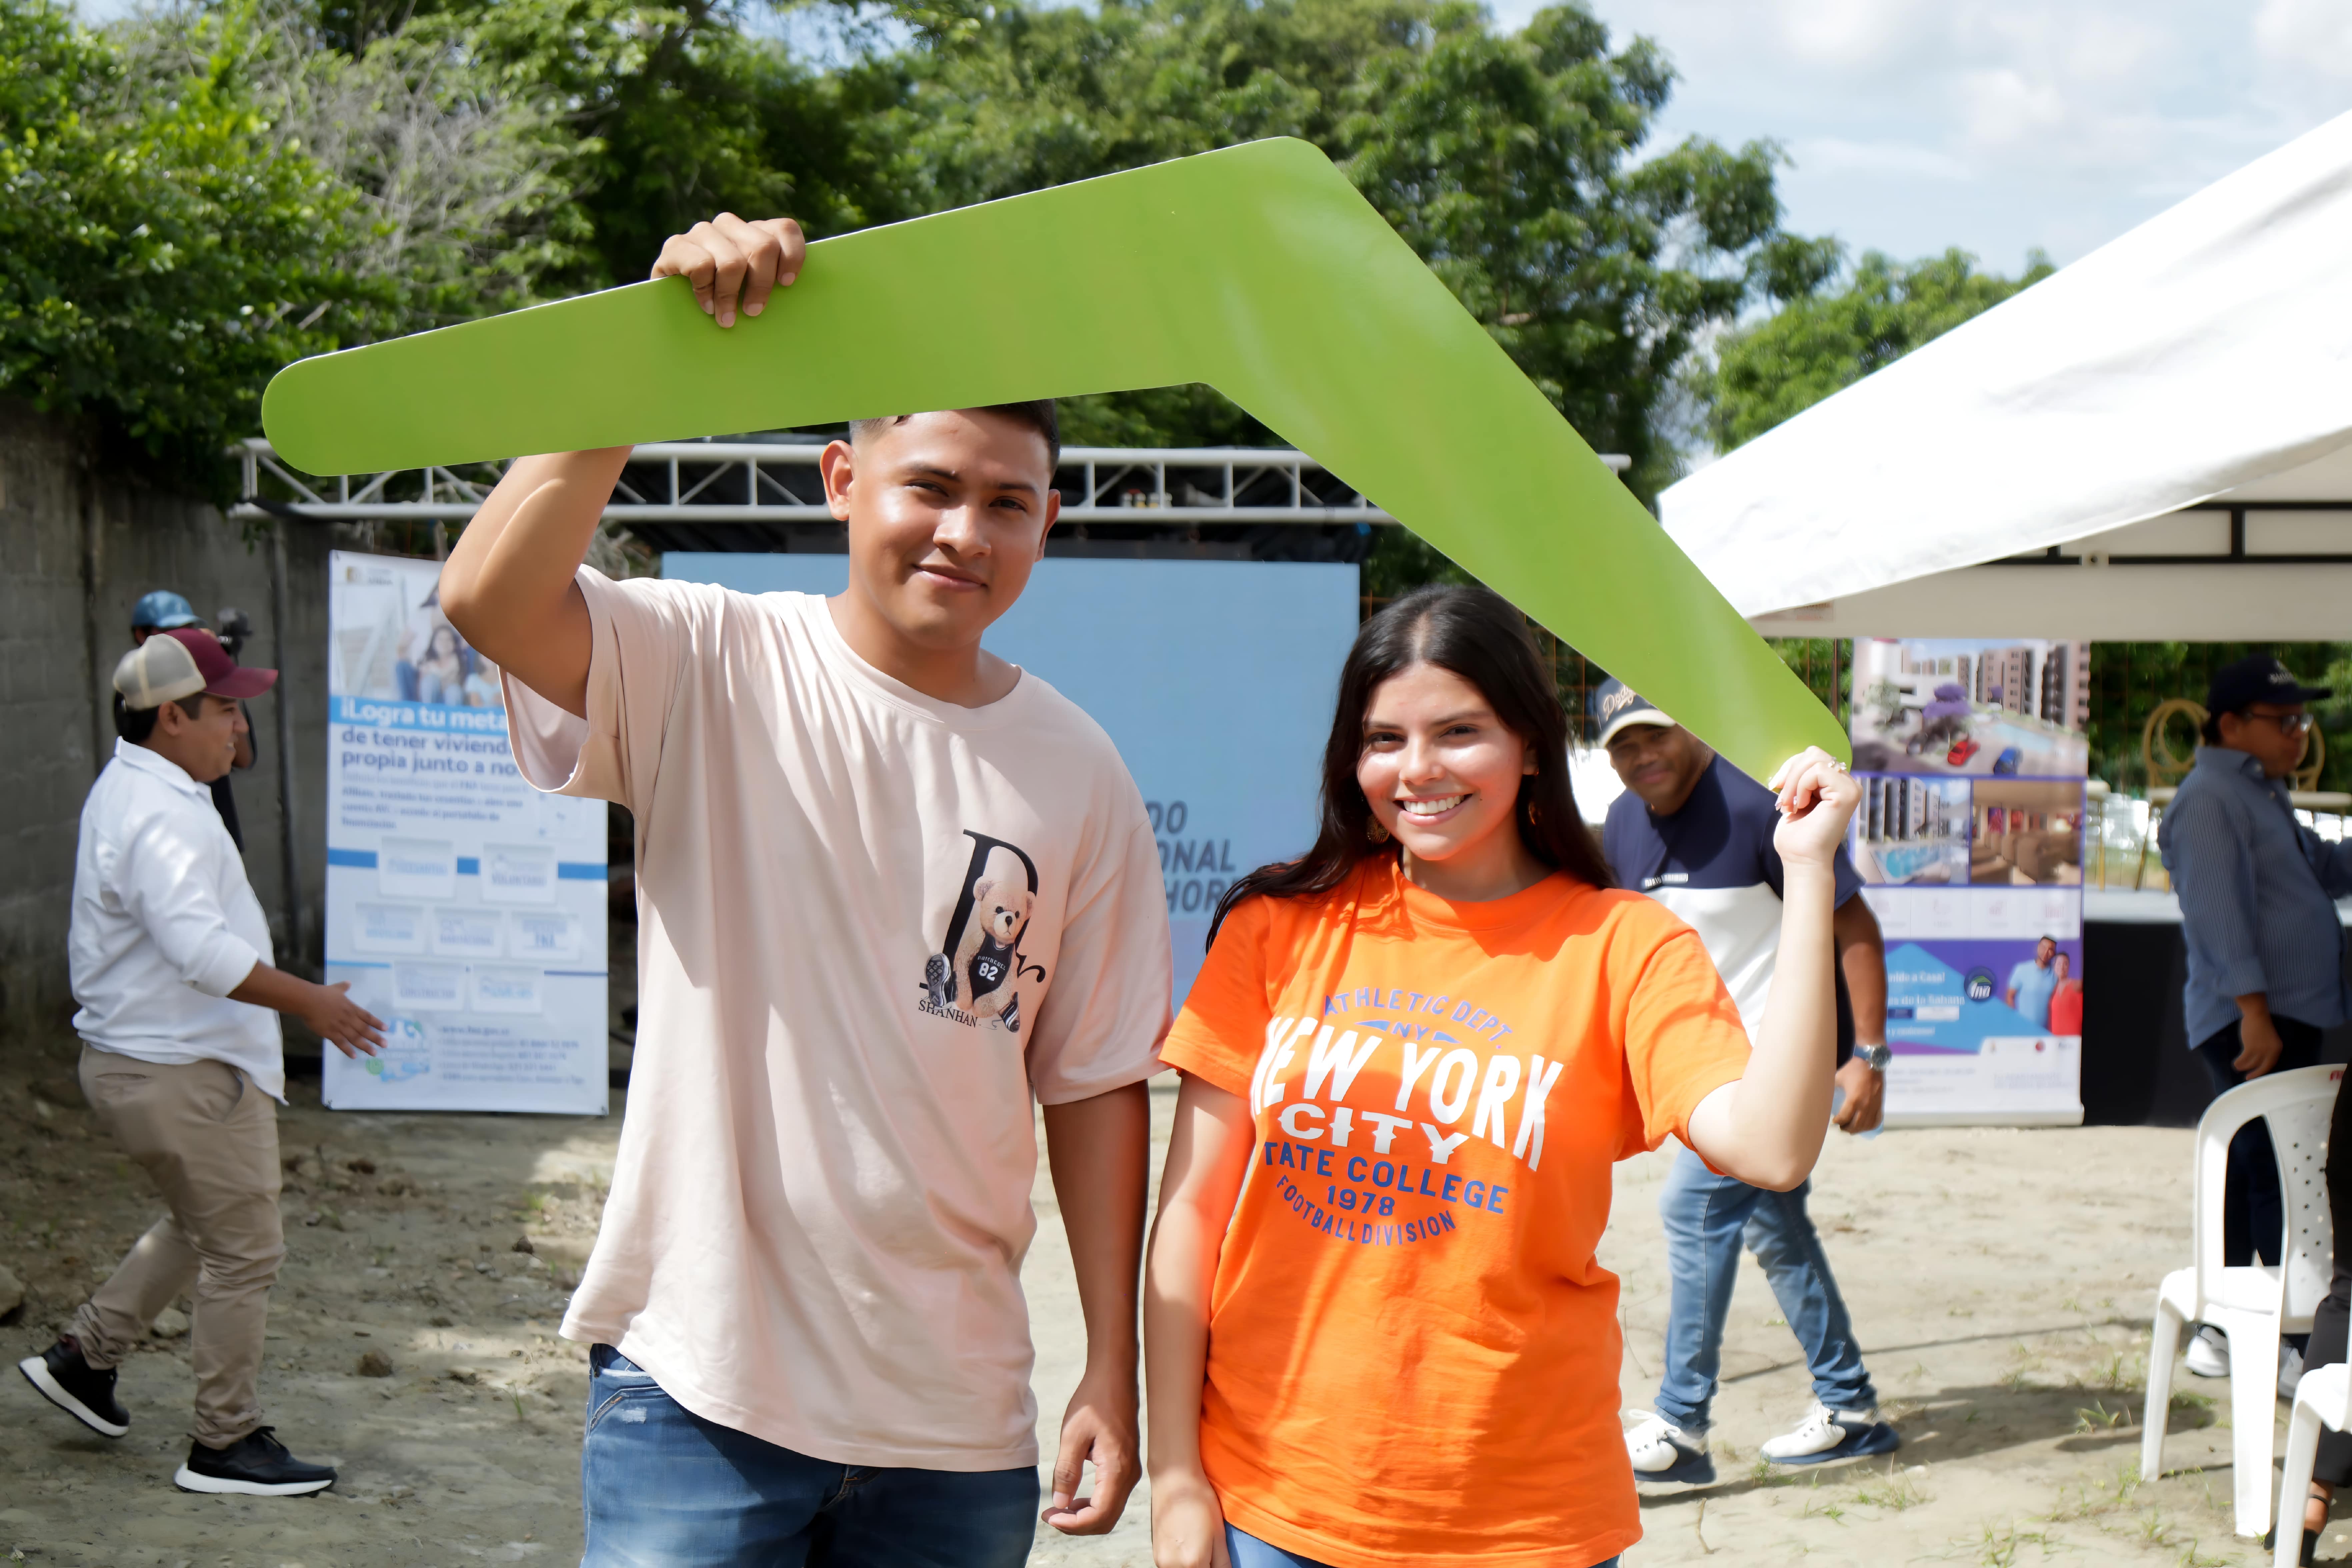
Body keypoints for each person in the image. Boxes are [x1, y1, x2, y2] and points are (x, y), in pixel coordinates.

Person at [438, 212, 1172, 1564]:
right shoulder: (707, 658)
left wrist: (1109, 1371)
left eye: (1008, 502)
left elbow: (1091, 1082)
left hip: (955, 1423)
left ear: (1048, 523)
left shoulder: (1080, 770)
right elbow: (488, 596)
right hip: (702, 1388)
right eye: (930, 485)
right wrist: (641, 353)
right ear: (843, 476)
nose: (965, 531)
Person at [1142, 586, 1859, 1568]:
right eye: (1382, 738)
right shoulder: (1277, 927)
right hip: (1276, 1499)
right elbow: (1189, 1215)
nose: (1417, 769)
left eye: (1457, 731)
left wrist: (1807, 870)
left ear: (1528, 743)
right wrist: (1175, 1473)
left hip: (1525, 1515)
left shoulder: (1620, 944)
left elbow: (1771, 1146)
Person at [19, 629, 385, 1495]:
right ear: (170, 715)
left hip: (149, 1061)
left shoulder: (145, 788)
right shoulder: (165, 811)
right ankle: (224, 1440)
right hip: (183, 1067)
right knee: (246, 1246)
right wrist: (313, 1002)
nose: (238, 724)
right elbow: (200, 951)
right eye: (223, 707)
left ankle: (85, 1357)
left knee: (201, 1225)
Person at [1594, 680, 1899, 1483]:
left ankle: (1680, 1424)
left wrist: (1867, 1050)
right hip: (1698, 1072)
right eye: (1623, 743)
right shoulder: (1623, 820)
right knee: (1772, 1227)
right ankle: (1850, 1404)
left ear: (1692, 728)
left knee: (1689, 1208)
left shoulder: (1754, 804)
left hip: (1772, 1067)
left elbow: (1854, 926)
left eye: (1655, 733)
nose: (1641, 755)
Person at [2159, 654, 2352, 1384]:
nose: (2298, 734)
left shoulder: (2259, 791)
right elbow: (2216, 915)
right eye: (2284, 720)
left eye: (2301, 720)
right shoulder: (2210, 797)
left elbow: (2317, 874)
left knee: (2260, 1167)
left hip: (2277, 1011)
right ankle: (2262, 1326)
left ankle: (2236, 1323)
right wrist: (2252, 1012)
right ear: (2231, 723)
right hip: (2255, 1016)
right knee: (2269, 1170)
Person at [131, 591, 255, 851]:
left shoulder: (206, 687)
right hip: (173, 839)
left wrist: (222, 672)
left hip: (216, 834)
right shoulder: (135, 696)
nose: (181, 641)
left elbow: (244, 758)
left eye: (187, 631)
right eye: (170, 632)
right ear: (141, 636)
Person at [2004, 935, 2059, 1029]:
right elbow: (2010, 996)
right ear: (2038, 947)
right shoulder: (2021, 969)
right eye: (2044, 947)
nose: (2046, 952)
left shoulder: (2055, 976)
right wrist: (2013, 1022)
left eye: (2050, 950)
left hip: (2045, 1033)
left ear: (2054, 953)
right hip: (2023, 1030)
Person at [2048, 951, 2084, 1038]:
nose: (2062, 967)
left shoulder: (2077, 985)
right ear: (2054, 967)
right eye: (2059, 964)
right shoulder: (2051, 990)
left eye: (2066, 964)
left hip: (2074, 1040)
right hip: (2056, 1040)